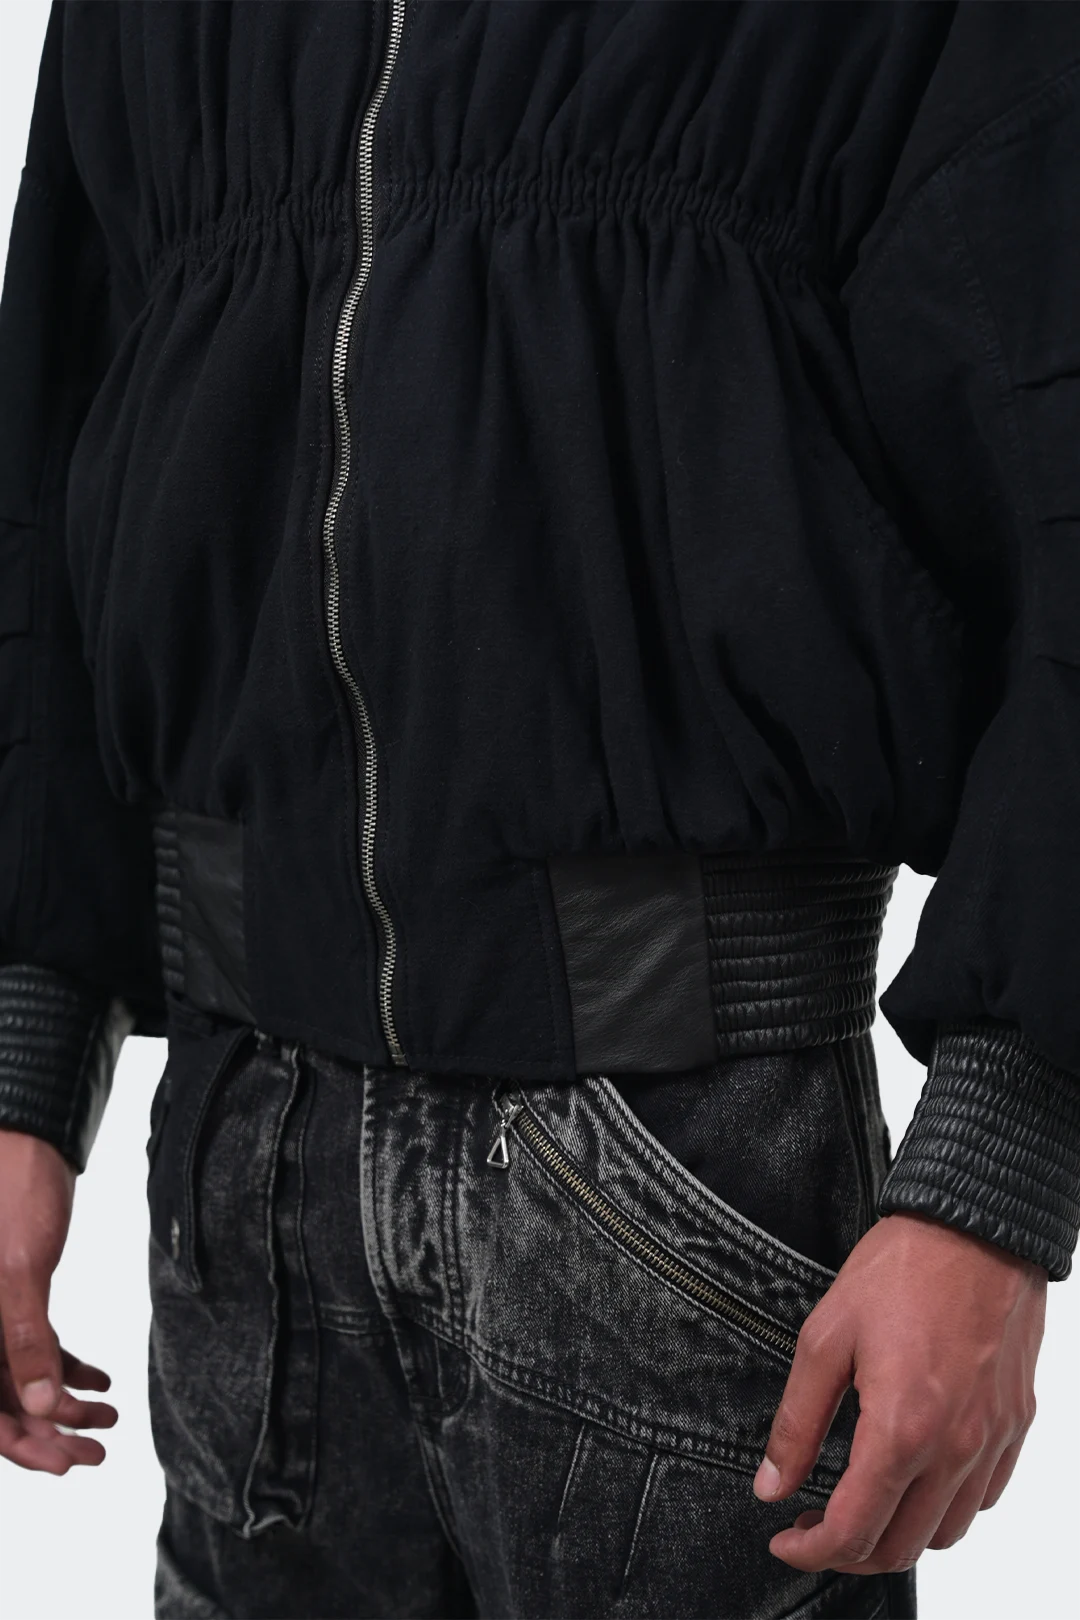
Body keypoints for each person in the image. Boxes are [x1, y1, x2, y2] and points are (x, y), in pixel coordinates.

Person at [0, 1, 1073, 1614]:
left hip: (681, 1159)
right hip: (244, 1170)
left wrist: (1001, 1162)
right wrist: (25, 1060)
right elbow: (55, 473)